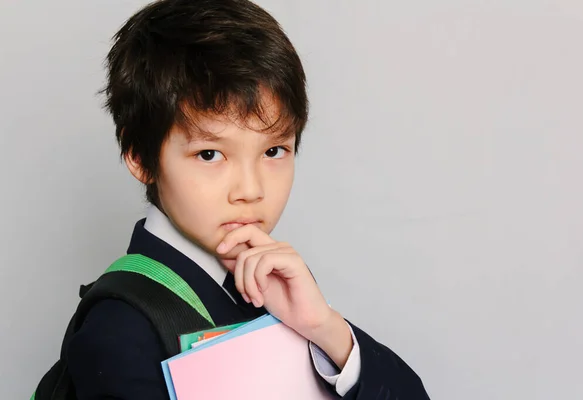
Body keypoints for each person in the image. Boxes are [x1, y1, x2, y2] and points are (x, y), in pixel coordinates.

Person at [66, 0, 430, 398]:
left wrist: (325, 328)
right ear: (139, 157)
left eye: (274, 151)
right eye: (210, 154)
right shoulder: (121, 329)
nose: (251, 190)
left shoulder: (276, 280)